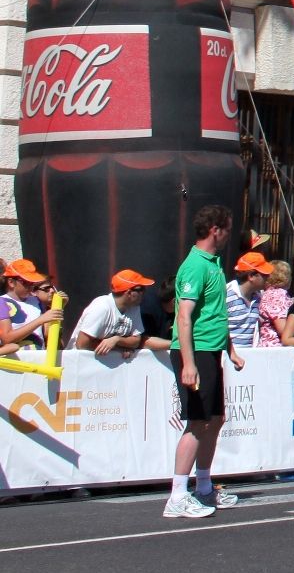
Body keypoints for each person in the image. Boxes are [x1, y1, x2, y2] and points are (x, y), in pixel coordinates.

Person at [168, 205, 245, 518]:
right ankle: (176, 497)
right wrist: (189, 363)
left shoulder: (213, 263)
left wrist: (230, 350)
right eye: (227, 228)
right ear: (216, 229)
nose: (229, 234)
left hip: (210, 350)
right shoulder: (195, 266)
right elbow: (184, 316)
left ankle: (203, 487)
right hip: (195, 351)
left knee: (215, 419)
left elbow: (214, 313)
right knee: (197, 422)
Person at [72, 270, 167, 357]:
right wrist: (117, 348)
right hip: (81, 363)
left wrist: (117, 340)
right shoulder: (102, 307)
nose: (144, 292)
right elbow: (81, 344)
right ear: (129, 293)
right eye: (141, 289)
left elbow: (136, 341)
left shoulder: (134, 307)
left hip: (107, 365)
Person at [0, 258, 60, 355]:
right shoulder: (2, 302)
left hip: (39, 357)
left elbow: (46, 334)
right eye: (26, 282)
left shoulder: (35, 301)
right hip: (17, 362)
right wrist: (40, 320)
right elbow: (7, 338)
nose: (31, 286)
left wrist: (57, 307)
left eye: (32, 283)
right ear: (11, 282)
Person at [225, 249, 272, 348]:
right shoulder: (226, 295)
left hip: (249, 357)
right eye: (264, 275)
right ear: (251, 276)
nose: (268, 277)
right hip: (227, 358)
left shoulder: (258, 298)